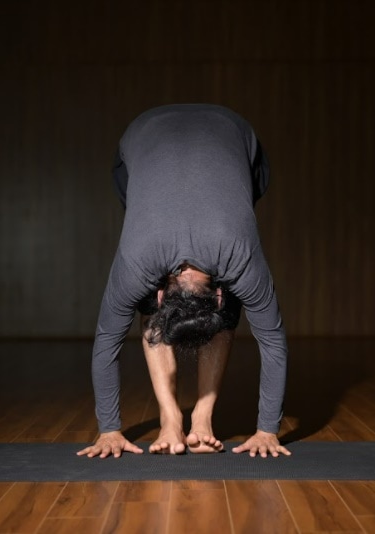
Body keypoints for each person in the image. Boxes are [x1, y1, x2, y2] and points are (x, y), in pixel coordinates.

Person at [77, 103, 289, 459]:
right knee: (167, 293)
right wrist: (267, 429)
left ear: (161, 294)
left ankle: (201, 419)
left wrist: (109, 431)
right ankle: (170, 416)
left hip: (222, 132)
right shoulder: (143, 262)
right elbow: (274, 343)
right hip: (172, 132)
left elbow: (105, 342)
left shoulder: (238, 257)